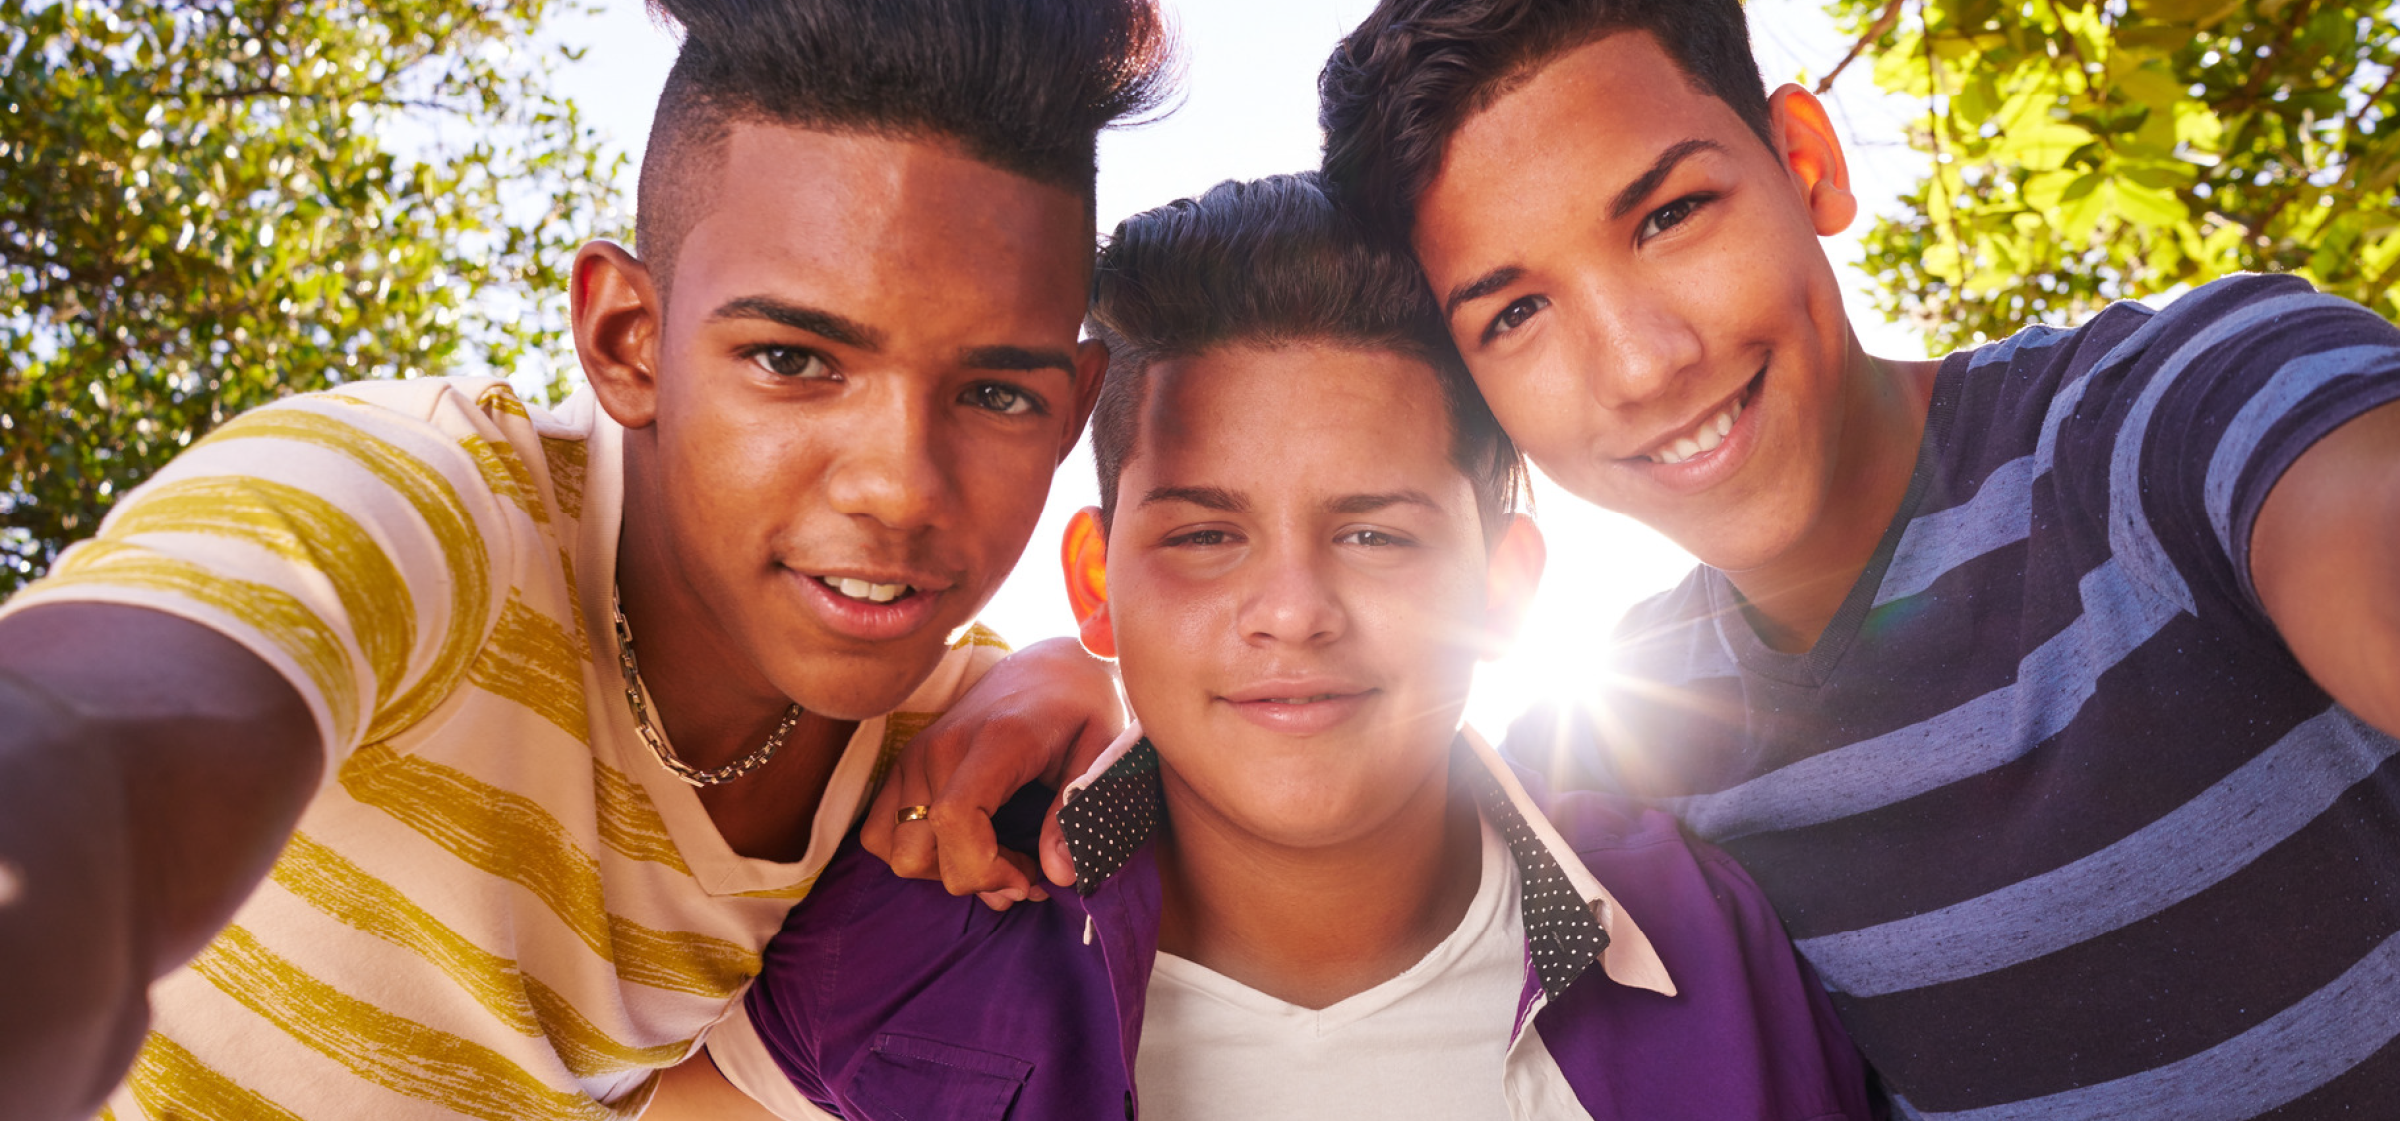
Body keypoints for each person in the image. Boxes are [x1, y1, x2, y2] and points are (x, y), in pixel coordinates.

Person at [0, 0, 1175, 1117]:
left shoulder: (950, 750)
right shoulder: (420, 505)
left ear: (1074, 409)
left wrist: (1092, 685)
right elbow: (97, 735)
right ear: (626, 341)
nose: (900, 486)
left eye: (993, 394)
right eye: (792, 358)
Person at [1310, 0, 2400, 1116]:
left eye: (1669, 215)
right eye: (1516, 313)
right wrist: (1087, 734)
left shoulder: (2172, 417)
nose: (1640, 365)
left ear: (1805, 162)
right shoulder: (1607, 766)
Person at [663, 173, 1873, 1121]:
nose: (1292, 611)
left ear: (1502, 591)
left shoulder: (1705, 938)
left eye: (1375, 535)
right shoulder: (909, 933)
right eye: (1203, 537)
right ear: (1097, 585)